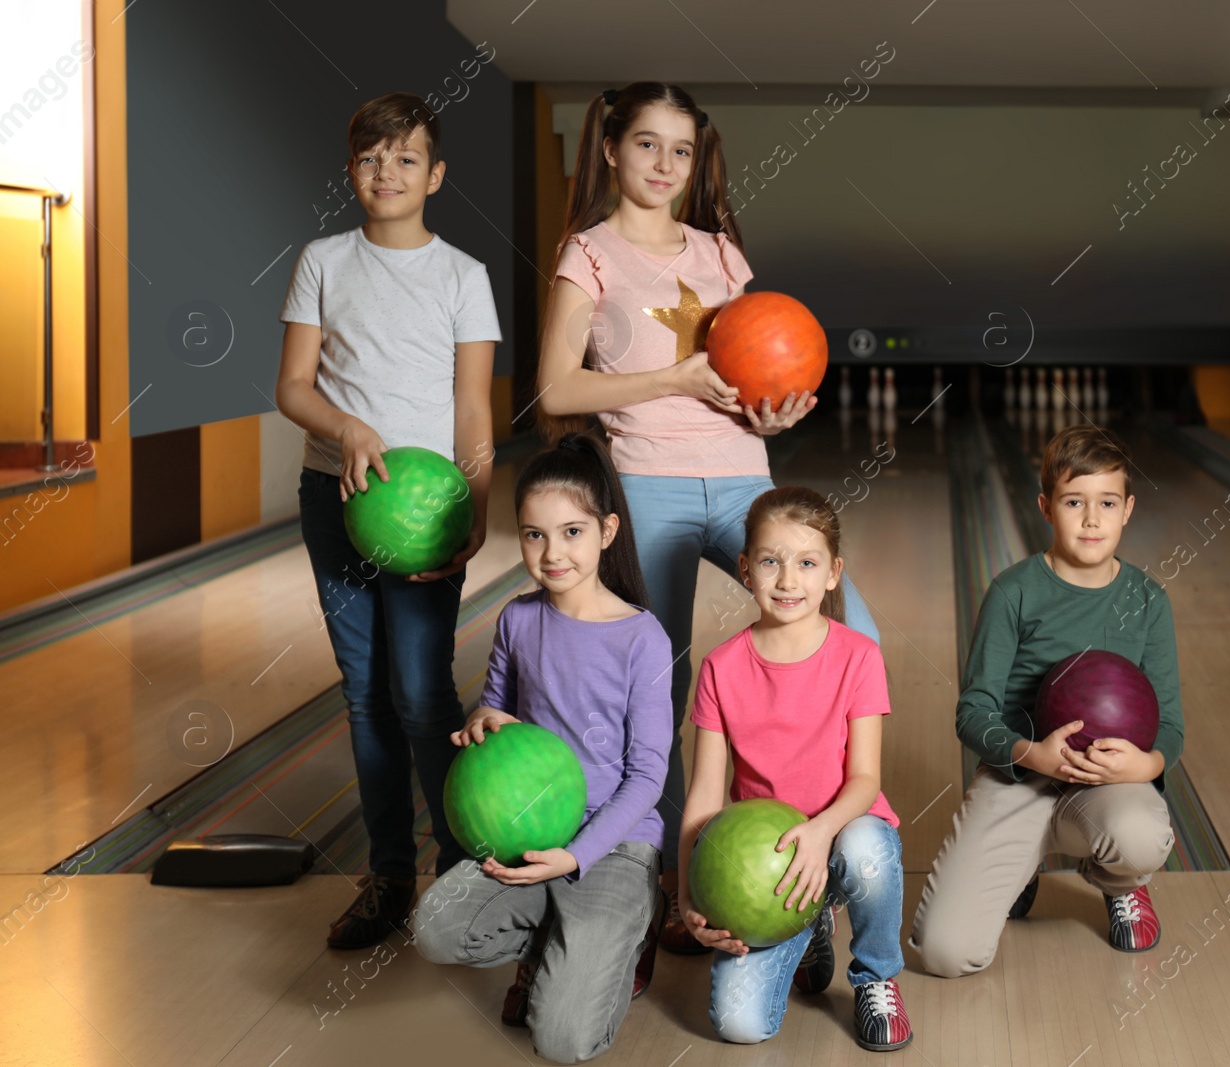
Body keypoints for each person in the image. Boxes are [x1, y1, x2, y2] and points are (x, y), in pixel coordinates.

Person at [534, 81, 882, 954]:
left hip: (741, 480)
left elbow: (752, 364)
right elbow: (553, 392)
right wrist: (669, 381)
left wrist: (772, 412)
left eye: (681, 150)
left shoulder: (721, 254)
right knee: (658, 690)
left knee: (854, 633)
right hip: (645, 480)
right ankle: (661, 893)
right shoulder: (588, 255)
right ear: (611, 149)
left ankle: (819, 851)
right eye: (647, 144)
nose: (664, 165)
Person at [276, 92, 500, 949]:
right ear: (351, 171)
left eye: (406, 158)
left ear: (435, 175)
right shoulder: (323, 260)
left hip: (427, 513)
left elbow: (473, 407)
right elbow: (295, 385)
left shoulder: (462, 274)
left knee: (422, 694)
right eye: (371, 158)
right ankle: (388, 877)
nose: (387, 172)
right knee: (366, 697)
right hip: (334, 500)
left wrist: (475, 515)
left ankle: (458, 872)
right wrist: (348, 428)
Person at [411, 432, 672, 1063]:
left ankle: (634, 923)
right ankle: (558, 937)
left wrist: (574, 857)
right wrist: (482, 722)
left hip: (612, 844)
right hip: (526, 831)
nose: (552, 552)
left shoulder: (643, 639)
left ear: (607, 531)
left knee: (561, 1042)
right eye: (535, 534)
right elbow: (496, 709)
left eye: (572, 532)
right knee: (435, 929)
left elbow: (647, 777)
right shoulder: (518, 619)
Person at [911, 424, 1184, 976]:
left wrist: (1147, 763)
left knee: (1141, 836)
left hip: (1107, 785)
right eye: (1073, 501)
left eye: (1106, 502)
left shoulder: (1149, 600)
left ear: (1127, 509)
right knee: (945, 953)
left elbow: (1171, 724)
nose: (1090, 519)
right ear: (1045, 507)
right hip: (1020, 778)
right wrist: (1030, 754)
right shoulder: (1014, 591)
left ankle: (1120, 883)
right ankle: (1021, 865)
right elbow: (973, 712)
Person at [675, 487, 912, 1052]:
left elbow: (865, 781)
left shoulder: (859, 655)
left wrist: (820, 829)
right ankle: (807, 929)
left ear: (834, 574)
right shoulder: (721, 668)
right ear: (745, 568)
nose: (787, 580)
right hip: (770, 862)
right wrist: (687, 897)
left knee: (870, 853)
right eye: (770, 561)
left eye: (806, 563)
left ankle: (876, 977)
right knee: (739, 1025)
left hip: (843, 830)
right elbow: (705, 800)